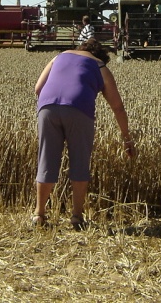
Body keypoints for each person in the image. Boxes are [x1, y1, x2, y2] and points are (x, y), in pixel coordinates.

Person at [32, 38, 136, 229]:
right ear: (101, 56)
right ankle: (77, 217)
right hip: (79, 109)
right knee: (79, 162)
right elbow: (118, 107)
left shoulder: (58, 57)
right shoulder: (99, 66)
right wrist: (126, 138)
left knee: (46, 160)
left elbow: (38, 88)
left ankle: (39, 214)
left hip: (47, 108)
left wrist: (53, 104)